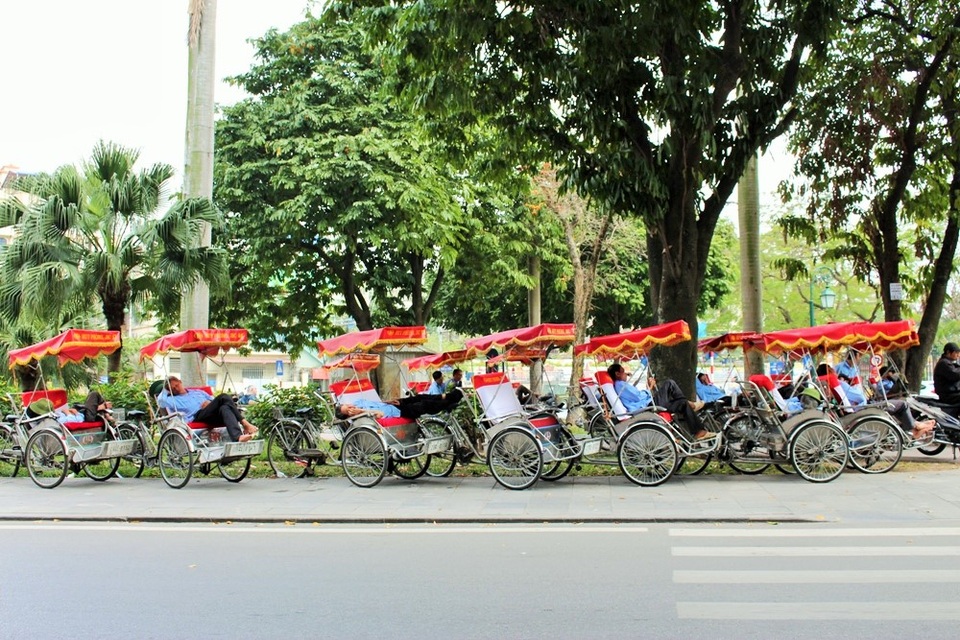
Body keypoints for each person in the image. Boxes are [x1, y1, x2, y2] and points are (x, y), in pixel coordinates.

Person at [158, 376, 259, 443]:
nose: (176, 388)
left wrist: (210, 404)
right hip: (198, 415)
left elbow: (214, 400)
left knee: (224, 407)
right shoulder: (172, 399)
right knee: (224, 396)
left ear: (180, 382)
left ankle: (238, 437)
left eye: (177, 385)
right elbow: (161, 401)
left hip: (211, 414)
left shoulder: (197, 392)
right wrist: (165, 389)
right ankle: (245, 424)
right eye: (173, 388)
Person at [340, 388, 463, 420]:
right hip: (396, 413)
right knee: (423, 404)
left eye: (348, 405)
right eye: (348, 410)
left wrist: (389, 401)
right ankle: (447, 404)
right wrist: (360, 412)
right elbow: (380, 413)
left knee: (418, 396)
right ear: (349, 415)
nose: (351, 407)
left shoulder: (358, 402)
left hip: (393, 406)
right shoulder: (359, 416)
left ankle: (448, 396)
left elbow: (378, 404)